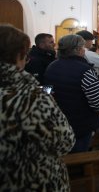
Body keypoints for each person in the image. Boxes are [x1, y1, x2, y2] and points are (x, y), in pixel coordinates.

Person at [0, 24, 75, 191]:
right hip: (33, 180)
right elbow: (64, 141)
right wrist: (48, 98)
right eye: (25, 54)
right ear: (18, 55)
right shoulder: (30, 96)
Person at [44, 34, 99, 152]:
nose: (84, 50)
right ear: (77, 50)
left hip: (58, 121)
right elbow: (97, 103)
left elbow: (47, 93)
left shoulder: (51, 67)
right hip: (81, 124)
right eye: (83, 47)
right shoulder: (86, 70)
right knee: (80, 153)